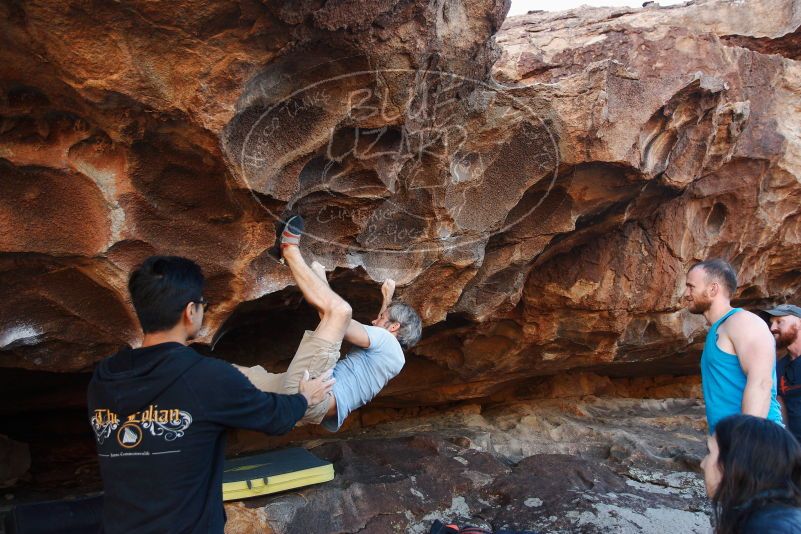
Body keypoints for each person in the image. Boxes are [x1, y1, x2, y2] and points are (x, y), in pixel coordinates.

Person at [87, 256, 334, 534]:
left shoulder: (103, 379)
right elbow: (272, 416)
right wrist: (304, 398)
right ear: (190, 311)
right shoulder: (205, 377)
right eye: (203, 305)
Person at [236, 215, 423, 431]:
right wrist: (387, 300)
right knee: (233, 375)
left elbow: (338, 319)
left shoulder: (386, 344)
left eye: (381, 317)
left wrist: (322, 278)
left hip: (313, 394)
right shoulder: (393, 361)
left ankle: (288, 249)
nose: (374, 319)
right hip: (303, 402)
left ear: (394, 327)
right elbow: (375, 328)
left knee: (341, 311)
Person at [683, 258, 783, 433]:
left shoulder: (742, 322)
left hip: (760, 442)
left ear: (713, 289)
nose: (686, 293)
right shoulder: (719, 329)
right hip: (730, 441)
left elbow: (761, 383)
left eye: (691, 286)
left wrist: (745, 442)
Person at [701, 414, 801, 533]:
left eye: (710, 452)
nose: (703, 464)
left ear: (737, 462)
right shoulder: (770, 519)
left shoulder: (767, 528)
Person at [765, 304, 801, 442]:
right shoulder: (778, 367)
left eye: (779, 322)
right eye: (772, 323)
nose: (772, 328)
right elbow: (781, 405)